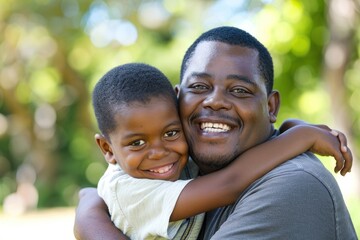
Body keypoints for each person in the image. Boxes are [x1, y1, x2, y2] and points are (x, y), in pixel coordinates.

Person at [74, 27, 356, 239]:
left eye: (239, 90)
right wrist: (297, 134)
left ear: (271, 107)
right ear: (177, 98)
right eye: (198, 87)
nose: (215, 101)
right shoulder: (178, 168)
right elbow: (229, 183)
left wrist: (293, 131)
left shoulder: (293, 187)